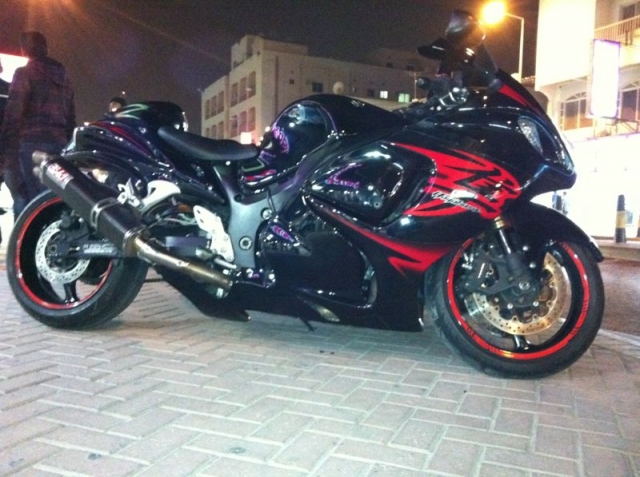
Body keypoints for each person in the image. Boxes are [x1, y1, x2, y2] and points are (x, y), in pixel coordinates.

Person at [0, 31, 76, 218]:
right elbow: (71, 117)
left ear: (24, 50)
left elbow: (13, 115)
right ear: (46, 48)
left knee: (29, 202)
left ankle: (27, 236)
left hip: (31, 147)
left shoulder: (24, 73)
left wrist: (4, 149)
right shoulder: (65, 78)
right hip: (59, 145)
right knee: (53, 198)